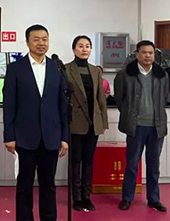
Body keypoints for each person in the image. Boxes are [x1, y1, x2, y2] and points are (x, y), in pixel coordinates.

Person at [3, 25, 69, 221]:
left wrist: (64, 137)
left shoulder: (57, 69)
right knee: (24, 185)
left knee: (49, 185)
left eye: (45, 39)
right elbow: (9, 105)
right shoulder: (15, 69)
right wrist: (9, 136)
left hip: (51, 136)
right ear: (27, 42)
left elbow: (63, 106)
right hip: (24, 137)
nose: (41, 43)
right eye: (37, 39)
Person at [115, 40, 170, 213]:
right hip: (136, 126)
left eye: (151, 53)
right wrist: (130, 114)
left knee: (154, 166)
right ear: (137, 54)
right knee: (132, 165)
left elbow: (164, 98)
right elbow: (119, 99)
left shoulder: (162, 75)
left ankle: (154, 199)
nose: (148, 56)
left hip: (156, 127)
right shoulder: (125, 74)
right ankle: (127, 198)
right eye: (144, 52)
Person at [64, 36, 108, 212]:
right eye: (80, 46)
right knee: (76, 161)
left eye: (87, 46)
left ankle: (86, 196)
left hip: (93, 122)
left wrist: (102, 121)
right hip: (75, 122)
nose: (84, 49)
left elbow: (100, 98)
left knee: (89, 161)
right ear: (74, 49)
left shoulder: (95, 71)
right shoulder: (66, 69)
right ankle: (76, 197)